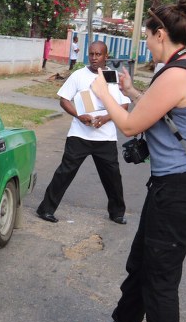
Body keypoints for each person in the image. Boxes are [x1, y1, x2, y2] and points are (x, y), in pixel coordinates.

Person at [81, 0, 186, 322]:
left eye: (147, 37)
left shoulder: (176, 74)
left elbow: (129, 125)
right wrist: (129, 91)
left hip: (180, 190)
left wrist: (104, 94)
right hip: (170, 186)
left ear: (160, 35)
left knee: (161, 272)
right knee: (142, 261)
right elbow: (157, 111)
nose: (146, 45)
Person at [36, 41, 129, 225]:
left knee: (113, 177)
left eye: (98, 54)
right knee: (64, 172)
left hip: (106, 138)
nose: (94, 58)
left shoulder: (112, 76)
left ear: (106, 56)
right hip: (79, 136)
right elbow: (64, 100)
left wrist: (105, 118)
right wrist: (79, 116)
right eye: (91, 54)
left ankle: (117, 213)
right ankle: (46, 209)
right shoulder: (79, 75)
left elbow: (124, 104)